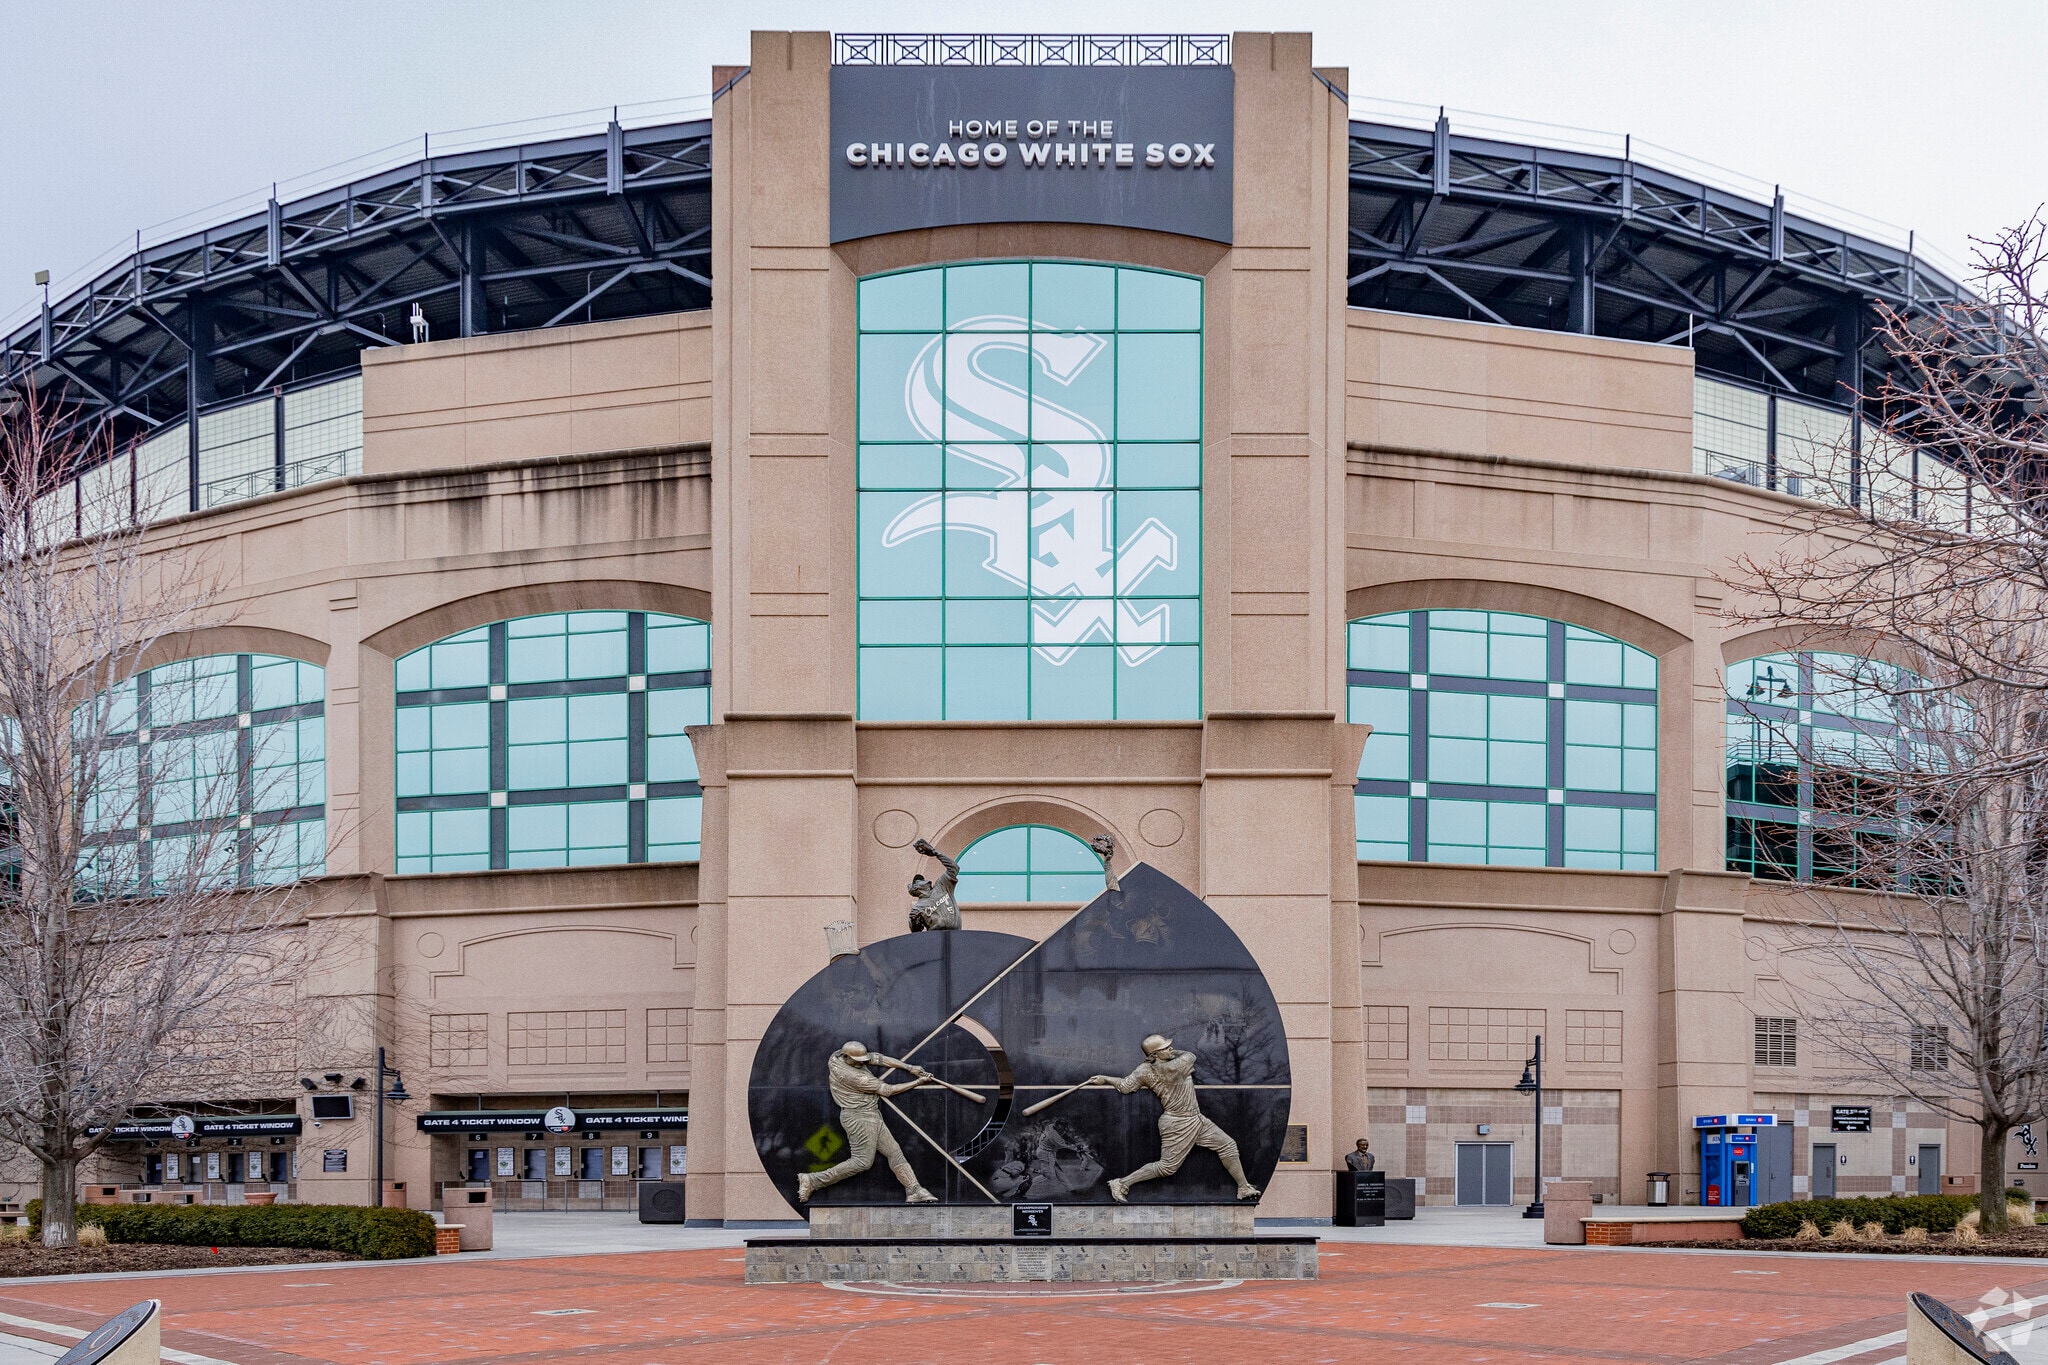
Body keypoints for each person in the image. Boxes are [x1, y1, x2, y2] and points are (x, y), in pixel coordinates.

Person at [1092, 1033, 1260, 1202]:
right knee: (1167, 1167)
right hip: (1177, 1123)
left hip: (1196, 1119)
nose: (1170, 1048)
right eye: (1164, 1048)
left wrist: (1105, 1078)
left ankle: (1243, 1187)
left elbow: (1125, 1086)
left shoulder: (1144, 1070)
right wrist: (1169, 1054)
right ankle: (1121, 1183)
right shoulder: (1176, 1066)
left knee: (1228, 1145)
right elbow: (1190, 1055)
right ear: (1154, 1055)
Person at [796, 1041, 939, 1204]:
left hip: (870, 1114)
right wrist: (917, 1082)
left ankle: (914, 1190)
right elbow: (888, 1091)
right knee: (862, 1162)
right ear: (846, 1057)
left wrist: (908, 1067)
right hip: (858, 1117)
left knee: (894, 1152)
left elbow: (879, 1059)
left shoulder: (835, 1057)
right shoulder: (856, 1077)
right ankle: (812, 1180)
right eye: (858, 1060)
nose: (862, 1062)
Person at [906, 838, 961, 932]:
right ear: (915, 887)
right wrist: (914, 922)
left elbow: (954, 868)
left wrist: (934, 852)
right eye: (920, 880)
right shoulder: (917, 908)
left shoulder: (942, 885)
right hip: (935, 938)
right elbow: (916, 933)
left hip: (956, 934)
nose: (925, 880)